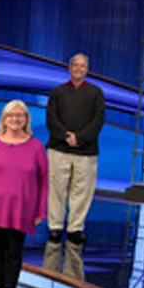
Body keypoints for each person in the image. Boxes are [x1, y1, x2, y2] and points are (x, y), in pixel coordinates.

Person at [0, 100, 47, 288]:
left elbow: (44, 180)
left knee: (13, 251)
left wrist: (41, 209)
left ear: (26, 119)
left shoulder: (36, 147)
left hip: (22, 209)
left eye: (20, 115)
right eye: (11, 115)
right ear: (4, 119)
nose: (15, 119)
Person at [45, 53, 104, 246]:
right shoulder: (57, 92)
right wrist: (66, 136)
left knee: (82, 192)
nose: (78, 69)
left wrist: (79, 138)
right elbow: (51, 119)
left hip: (86, 152)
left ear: (87, 70)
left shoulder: (96, 93)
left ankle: (75, 228)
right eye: (75, 65)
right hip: (58, 150)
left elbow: (98, 121)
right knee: (56, 190)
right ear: (69, 68)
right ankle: (55, 227)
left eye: (83, 66)